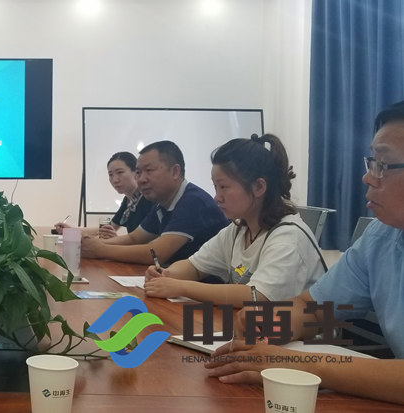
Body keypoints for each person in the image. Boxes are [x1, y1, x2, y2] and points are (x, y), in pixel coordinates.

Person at [205, 101, 404, 405]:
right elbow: (311, 307)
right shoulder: (381, 237)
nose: (367, 177)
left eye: (383, 164)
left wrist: (296, 363)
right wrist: (269, 322)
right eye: (371, 162)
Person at [143, 134, 325, 307]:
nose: (217, 197)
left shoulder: (288, 238)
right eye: (215, 187)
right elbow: (194, 266)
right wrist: (167, 274)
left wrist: (180, 287)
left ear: (259, 187)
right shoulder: (239, 229)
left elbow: (257, 296)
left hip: (293, 329)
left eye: (224, 187)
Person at [81, 140, 228, 264]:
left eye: (149, 170)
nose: (141, 179)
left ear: (175, 172)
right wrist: (92, 244)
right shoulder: (161, 202)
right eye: (138, 172)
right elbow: (134, 238)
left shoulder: (193, 201)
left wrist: (100, 249)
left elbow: (156, 254)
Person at [55, 151, 154, 238]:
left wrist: (116, 240)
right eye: (110, 175)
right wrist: (71, 230)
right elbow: (107, 229)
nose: (115, 179)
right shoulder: (129, 201)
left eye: (120, 172)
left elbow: (145, 242)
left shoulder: (148, 199)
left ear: (136, 172)